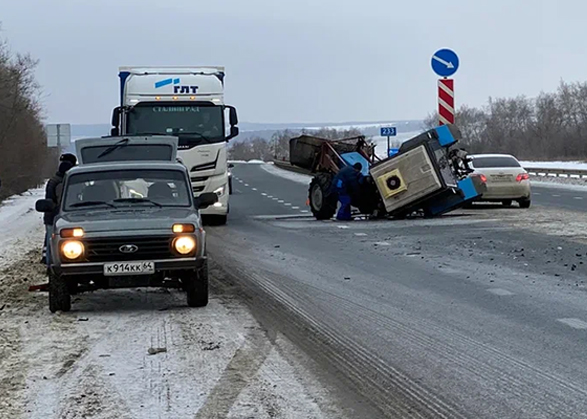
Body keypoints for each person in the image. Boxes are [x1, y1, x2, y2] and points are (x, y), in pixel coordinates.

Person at [41, 154, 77, 265]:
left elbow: (50, 198)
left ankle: (49, 262)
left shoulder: (54, 180)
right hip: (57, 216)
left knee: (51, 242)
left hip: (53, 216)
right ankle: (51, 263)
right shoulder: (68, 181)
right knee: (54, 244)